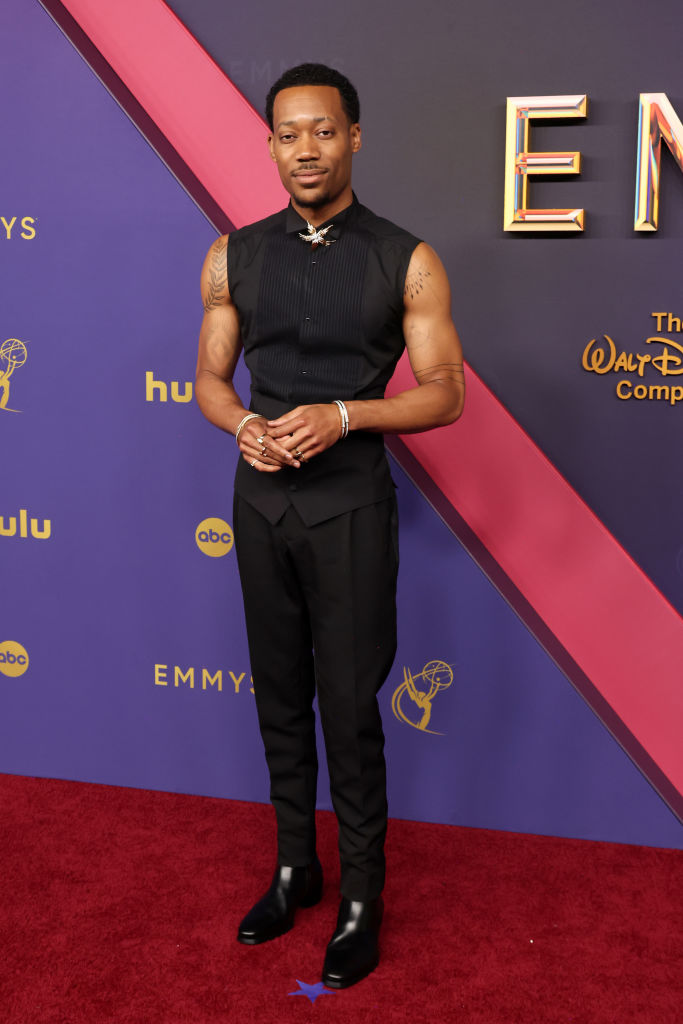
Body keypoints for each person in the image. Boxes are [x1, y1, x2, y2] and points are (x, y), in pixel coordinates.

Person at [195, 63, 464, 988]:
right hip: (260, 502)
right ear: (268, 143)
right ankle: (292, 868)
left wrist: (347, 415)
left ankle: (360, 895)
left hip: (351, 505)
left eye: (321, 131)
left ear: (353, 137)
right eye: (286, 133)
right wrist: (246, 427)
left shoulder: (406, 257)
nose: (304, 149)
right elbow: (210, 382)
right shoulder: (233, 253)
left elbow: (444, 394)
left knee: (347, 709)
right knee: (278, 694)